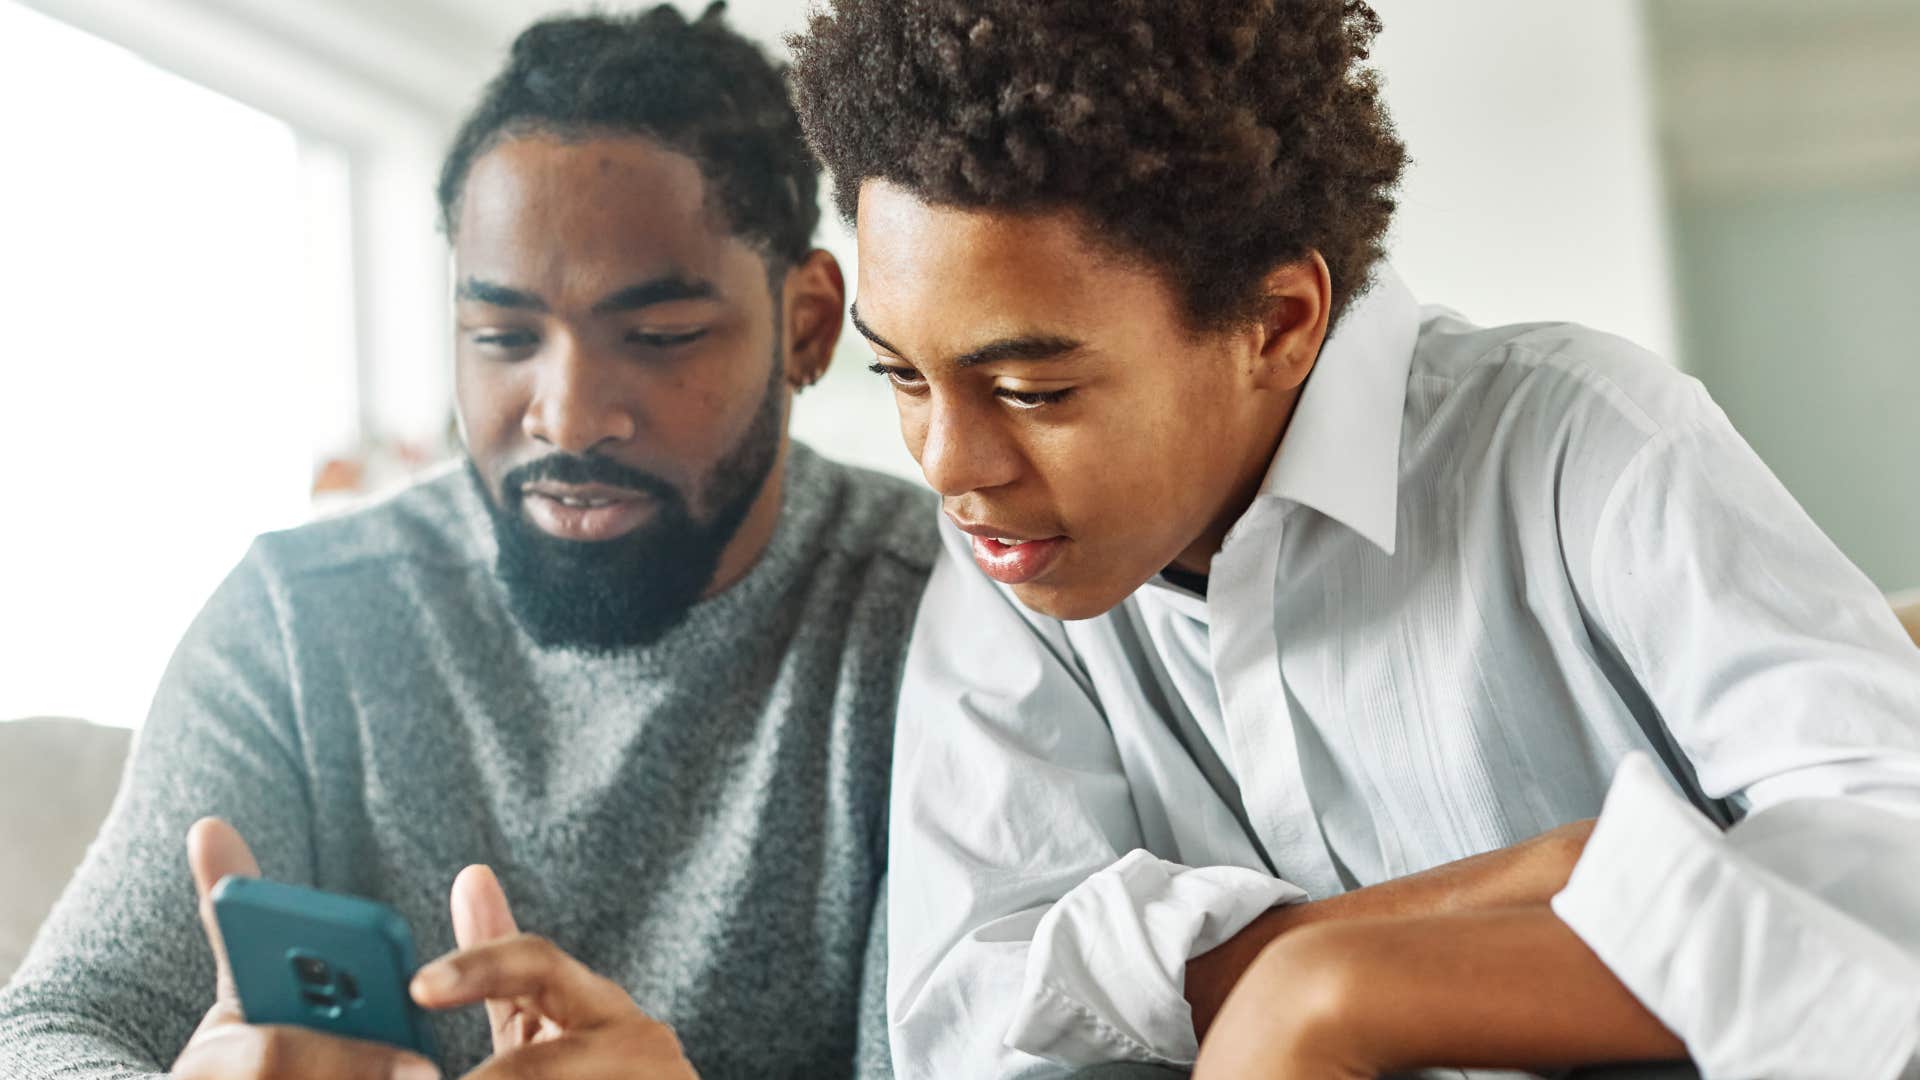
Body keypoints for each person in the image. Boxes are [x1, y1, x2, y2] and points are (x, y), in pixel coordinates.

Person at [786, 1, 1920, 1076]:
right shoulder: (1010, 565)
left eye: (1033, 390)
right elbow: (976, 1025)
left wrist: (1332, 992)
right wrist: (1496, 898)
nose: (947, 465)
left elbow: (1888, 879)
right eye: (898, 374)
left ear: (1277, 323)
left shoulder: (1583, 443)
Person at [0, 5, 934, 1076]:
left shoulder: (937, 620)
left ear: (809, 326)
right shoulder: (301, 622)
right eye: (502, 337)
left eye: (661, 336)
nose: (568, 416)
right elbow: (56, 1024)